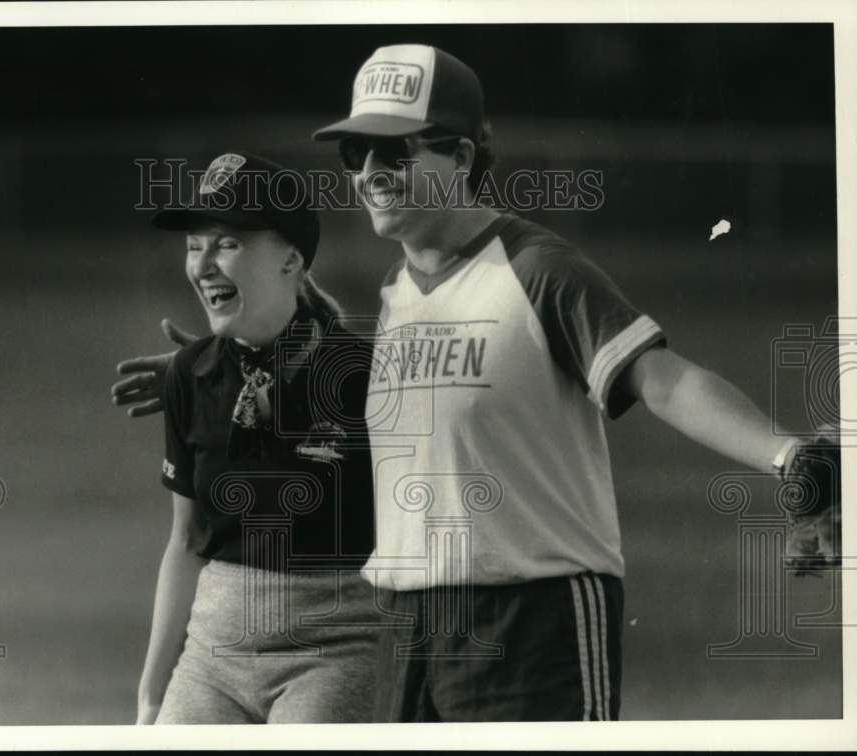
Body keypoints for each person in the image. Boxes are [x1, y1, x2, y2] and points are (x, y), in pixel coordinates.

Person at [114, 47, 840, 722]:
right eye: (354, 152)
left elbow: (665, 381)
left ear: (460, 156)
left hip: (535, 618)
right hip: (410, 629)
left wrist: (788, 457)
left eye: (394, 149)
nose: (368, 170)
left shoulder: (534, 269)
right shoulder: (400, 294)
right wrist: (216, 368)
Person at [133, 151, 380, 725]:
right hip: (212, 655)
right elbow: (187, 543)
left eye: (229, 244)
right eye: (195, 245)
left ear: (291, 259)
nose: (203, 264)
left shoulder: (364, 376)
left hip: (335, 652)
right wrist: (151, 697)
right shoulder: (189, 376)